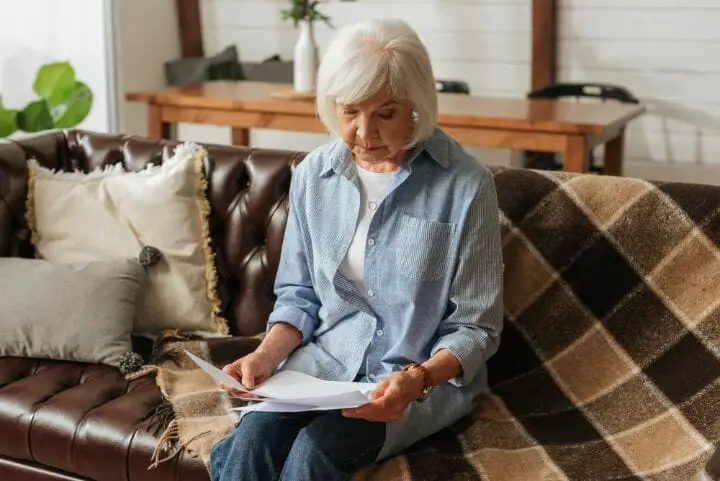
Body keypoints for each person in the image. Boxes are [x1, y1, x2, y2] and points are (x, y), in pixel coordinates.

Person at [210, 17, 504, 481]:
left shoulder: (466, 186)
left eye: (385, 113)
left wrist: (417, 379)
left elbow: (476, 326)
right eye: (350, 111)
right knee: (248, 444)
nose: (364, 132)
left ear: (416, 105)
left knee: (313, 454)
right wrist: (265, 356)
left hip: (417, 381)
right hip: (320, 369)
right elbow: (299, 296)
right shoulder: (313, 176)